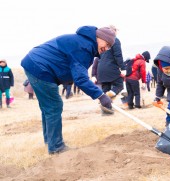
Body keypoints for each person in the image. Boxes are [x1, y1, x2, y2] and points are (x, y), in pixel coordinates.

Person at [21, 26, 115, 154]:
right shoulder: (84, 47)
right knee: (54, 106)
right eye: (107, 44)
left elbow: (73, 71)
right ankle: (56, 147)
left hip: (35, 63)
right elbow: (81, 79)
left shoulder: (85, 43)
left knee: (48, 107)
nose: (107, 49)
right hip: (40, 67)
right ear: (100, 38)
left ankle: (50, 141)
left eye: (110, 46)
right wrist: (101, 95)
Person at [97, 25, 125, 99]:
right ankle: (108, 96)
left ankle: (105, 105)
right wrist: (123, 68)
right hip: (111, 68)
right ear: (114, 31)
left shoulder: (101, 42)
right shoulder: (115, 40)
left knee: (106, 89)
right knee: (119, 85)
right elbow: (118, 55)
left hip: (100, 70)